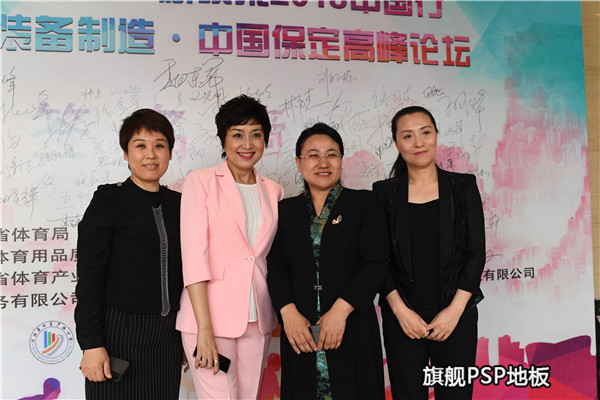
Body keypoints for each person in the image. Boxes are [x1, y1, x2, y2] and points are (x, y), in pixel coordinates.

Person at [267, 122, 389, 400]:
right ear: (299, 162)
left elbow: (375, 262)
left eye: (331, 155)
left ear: (341, 160)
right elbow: (276, 267)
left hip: (352, 324)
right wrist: (288, 313)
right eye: (313, 155)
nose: (323, 163)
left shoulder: (365, 204)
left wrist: (340, 311)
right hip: (300, 330)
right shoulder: (285, 211)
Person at [373, 106, 486, 399]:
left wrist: (454, 312)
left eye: (425, 132)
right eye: (407, 136)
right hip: (403, 320)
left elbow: (476, 254)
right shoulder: (384, 193)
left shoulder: (463, 186)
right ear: (397, 143)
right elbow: (378, 259)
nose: (418, 143)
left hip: (456, 316)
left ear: (436, 134)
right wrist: (400, 311)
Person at [176, 95, 284, 399]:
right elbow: (194, 258)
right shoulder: (201, 182)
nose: (247, 144)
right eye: (237, 134)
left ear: (265, 139)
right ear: (223, 139)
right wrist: (204, 330)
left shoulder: (274, 191)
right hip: (208, 320)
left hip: (257, 319)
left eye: (256, 135)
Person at [74, 108, 184, 399]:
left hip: (167, 337)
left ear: (170, 153)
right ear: (125, 153)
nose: (151, 155)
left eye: (159, 145)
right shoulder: (108, 200)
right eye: (140, 146)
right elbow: (90, 277)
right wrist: (91, 343)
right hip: (118, 335)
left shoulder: (180, 204)